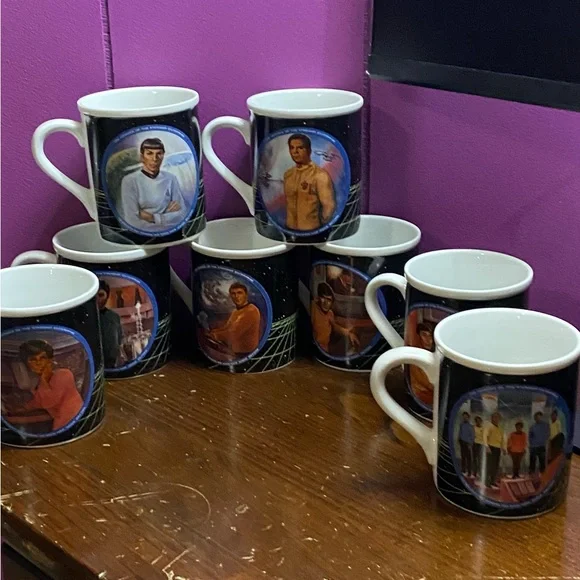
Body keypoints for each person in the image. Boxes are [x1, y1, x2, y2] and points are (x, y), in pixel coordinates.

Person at [119, 138, 188, 231]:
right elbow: (132, 221)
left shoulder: (171, 178)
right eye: (149, 153)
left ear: (163, 156)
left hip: (172, 233)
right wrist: (166, 215)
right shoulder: (130, 181)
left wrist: (153, 218)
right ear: (142, 157)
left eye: (159, 154)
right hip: (141, 236)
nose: (154, 159)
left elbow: (182, 214)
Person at [15, 340, 83, 431]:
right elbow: (37, 402)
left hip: (76, 421)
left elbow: (49, 401)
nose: (38, 363)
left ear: (49, 360)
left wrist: (43, 379)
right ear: (27, 364)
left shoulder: (64, 374)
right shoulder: (37, 384)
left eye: (42, 358)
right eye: (33, 359)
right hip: (60, 423)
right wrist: (23, 408)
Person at [283, 134, 336, 231]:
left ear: (309, 150)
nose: (295, 152)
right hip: (289, 229)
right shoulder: (288, 175)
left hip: (312, 231)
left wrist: (320, 228)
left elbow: (328, 206)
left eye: (300, 148)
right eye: (292, 148)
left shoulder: (319, 175)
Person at [207, 283, 261, 358]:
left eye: (239, 293)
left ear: (246, 295)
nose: (236, 296)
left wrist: (214, 335)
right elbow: (227, 327)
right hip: (234, 352)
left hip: (245, 355)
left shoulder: (251, 310)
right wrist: (213, 332)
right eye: (233, 293)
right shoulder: (235, 311)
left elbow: (233, 333)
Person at [311, 282, 360, 353]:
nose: (326, 303)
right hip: (314, 349)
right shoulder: (313, 307)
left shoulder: (330, 313)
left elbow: (334, 326)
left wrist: (349, 334)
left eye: (329, 300)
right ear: (318, 298)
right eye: (323, 298)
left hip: (325, 350)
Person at [97, 280, 124, 368]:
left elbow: (119, 337)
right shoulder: (87, 317)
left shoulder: (114, 316)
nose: (97, 299)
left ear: (107, 296)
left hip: (112, 361)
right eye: (94, 296)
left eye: (101, 295)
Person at [409, 321, 436, 406]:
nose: (428, 340)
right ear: (419, 336)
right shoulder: (415, 355)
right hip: (421, 396)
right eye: (424, 335)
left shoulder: (436, 352)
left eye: (431, 335)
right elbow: (424, 382)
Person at [484, 412, 504, 489]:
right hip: (490, 447)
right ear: (492, 418)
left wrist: (503, 448)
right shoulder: (489, 426)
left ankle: (493, 481)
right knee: (489, 465)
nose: (496, 419)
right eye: (495, 417)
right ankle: (487, 481)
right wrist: (486, 446)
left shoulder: (500, 428)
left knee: (495, 466)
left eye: (498, 417)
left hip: (497, 448)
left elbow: (501, 439)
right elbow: (485, 436)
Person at [458, 412, 474, 476]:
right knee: (463, 457)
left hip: (468, 444)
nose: (465, 418)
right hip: (462, 442)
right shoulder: (461, 424)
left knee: (468, 458)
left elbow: (472, 436)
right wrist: (459, 439)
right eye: (463, 417)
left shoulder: (471, 426)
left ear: (468, 417)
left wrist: (470, 444)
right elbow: (460, 432)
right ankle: (463, 470)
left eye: (466, 417)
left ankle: (469, 472)